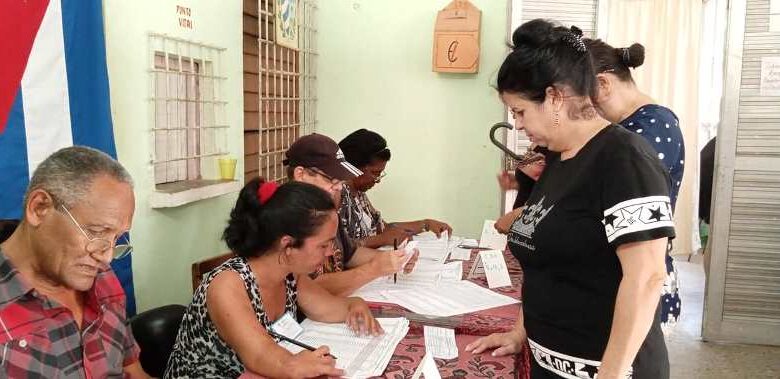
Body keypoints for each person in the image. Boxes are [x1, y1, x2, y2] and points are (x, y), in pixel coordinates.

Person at [465, 20, 674, 379]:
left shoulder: (624, 159)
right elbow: (545, 263)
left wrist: (611, 372)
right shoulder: (559, 160)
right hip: (550, 363)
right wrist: (520, 333)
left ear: (555, 97)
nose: (516, 124)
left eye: (519, 111)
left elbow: (647, 277)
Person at [164, 179, 382, 378]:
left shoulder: (290, 274)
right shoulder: (227, 284)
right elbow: (260, 355)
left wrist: (355, 305)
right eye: (323, 245)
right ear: (287, 245)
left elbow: (327, 308)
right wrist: (297, 365)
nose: (329, 252)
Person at [0, 146, 148, 378]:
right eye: (97, 231)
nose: (106, 257)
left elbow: (133, 372)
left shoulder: (103, 279)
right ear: (40, 208)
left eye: (117, 238)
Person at [585, 38, 685, 329]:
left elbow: (611, 194)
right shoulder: (626, 128)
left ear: (602, 85)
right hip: (619, 278)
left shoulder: (652, 127)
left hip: (640, 282)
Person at [283, 133, 418, 297]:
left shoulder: (327, 210)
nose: (339, 188)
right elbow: (311, 288)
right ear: (300, 174)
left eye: (340, 181)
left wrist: (394, 259)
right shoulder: (287, 220)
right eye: (332, 180)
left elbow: (351, 254)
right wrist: (374, 269)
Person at [337, 128, 452, 248]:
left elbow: (384, 228)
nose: (378, 179)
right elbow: (340, 249)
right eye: (375, 173)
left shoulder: (358, 193)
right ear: (355, 167)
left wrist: (426, 224)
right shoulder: (337, 195)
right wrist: (382, 240)